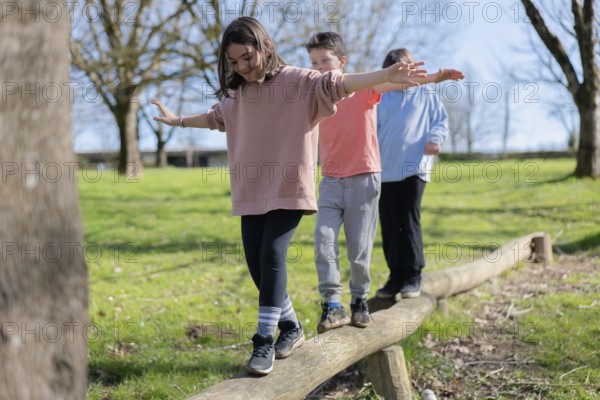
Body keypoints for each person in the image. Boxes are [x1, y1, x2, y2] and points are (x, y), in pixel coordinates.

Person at [152, 17, 427, 376]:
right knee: (256, 264)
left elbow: (341, 83)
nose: (241, 68)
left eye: (246, 58)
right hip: (251, 191)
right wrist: (179, 122)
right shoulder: (239, 92)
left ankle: (264, 339)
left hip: (289, 188)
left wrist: (384, 75)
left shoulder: (299, 81)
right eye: (233, 62)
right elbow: (217, 117)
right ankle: (291, 326)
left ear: (265, 47)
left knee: (271, 252)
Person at [306, 33, 464, 334]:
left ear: (341, 62)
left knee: (363, 247)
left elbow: (394, 84)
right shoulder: (315, 93)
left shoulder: (364, 87)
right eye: (314, 62)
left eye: (325, 60)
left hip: (370, 176)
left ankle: (364, 297)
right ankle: (332, 302)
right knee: (324, 240)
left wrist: (433, 78)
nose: (320, 67)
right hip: (336, 179)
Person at [375, 48, 455, 300]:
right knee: (389, 223)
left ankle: (413, 274)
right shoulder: (381, 98)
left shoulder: (425, 93)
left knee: (408, 220)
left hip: (414, 166)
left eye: (405, 68)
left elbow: (440, 120)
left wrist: (434, 139)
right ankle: (395, 275)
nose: (402, 74)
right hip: (384, 170)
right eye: (395, 70)